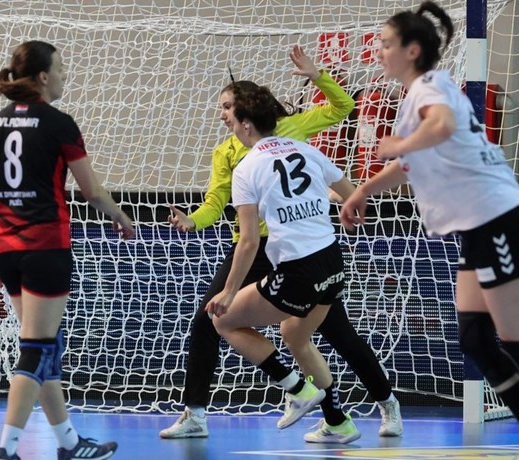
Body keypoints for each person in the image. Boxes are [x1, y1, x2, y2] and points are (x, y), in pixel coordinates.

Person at [338, 3, 519, 460]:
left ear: (413, 50)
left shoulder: (430, 88)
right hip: (478, 226)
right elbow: (412, 162)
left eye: (386, 44)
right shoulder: (420, 94)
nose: (379, 51)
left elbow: (441, 127)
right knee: (475, 339)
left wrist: (400, 143)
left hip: (500, 218)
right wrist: (363, 190)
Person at [161, 45, 403, 443]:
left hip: (288, 252)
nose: (222, 115)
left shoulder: (285, 137)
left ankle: (380, 400)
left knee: (331, 332)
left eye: (227, 107)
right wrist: (193, 221)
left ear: (246, 117)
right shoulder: (231, 153)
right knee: (217, 322)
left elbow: (343, 107)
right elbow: (216, 205)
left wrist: (318, 75)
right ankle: (198, 414)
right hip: (290, 251)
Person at [0, 40, 134, 460]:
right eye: (60, 69)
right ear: (43, 76)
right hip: (45, 246)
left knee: (41, 344)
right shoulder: (59, 123)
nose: (64, 76)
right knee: (38, 347)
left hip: (7, 250)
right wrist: (120, 216)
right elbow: (91, 190)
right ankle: (6, 449)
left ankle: (68, 442)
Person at [205, 80, 369, 443]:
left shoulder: (247, 168)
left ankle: (296, 388)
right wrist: (343, 211)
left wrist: (229, 292)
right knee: (295, 334)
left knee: (222, 320)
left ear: (247, 124)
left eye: (230, 114)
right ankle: (338, 423)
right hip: (332, 262)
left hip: (299, 270)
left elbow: (249, 242)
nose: (225, 120)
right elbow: (354, 197)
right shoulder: (305, 149)